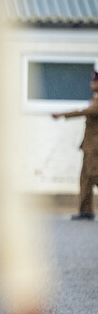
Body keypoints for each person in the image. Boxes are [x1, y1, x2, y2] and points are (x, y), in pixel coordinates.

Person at [53, 70, 98, 220]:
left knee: (94, 175)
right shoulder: (95, 99)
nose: (92, 84)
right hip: (88, 146)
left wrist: (63, 114)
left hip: (95, 148)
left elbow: (85, 111)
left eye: (94, 82)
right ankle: (85, 211)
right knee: (85, 179)